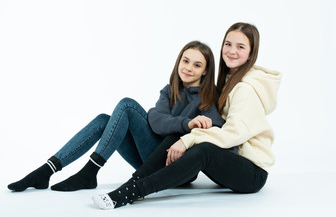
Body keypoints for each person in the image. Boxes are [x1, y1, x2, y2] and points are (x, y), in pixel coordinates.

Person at [92, 22, 282, 209]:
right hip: (229, 161)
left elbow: (234, 133)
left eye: (240, 47)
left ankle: (136, 190)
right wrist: (188, 133)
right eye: (228, 44)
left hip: (251, 172)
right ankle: (134, 182)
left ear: (251, 53)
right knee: (181, 135)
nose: (232, 51)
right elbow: (159, 118)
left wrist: (190, 139)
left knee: (201, 148)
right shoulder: (228, 81)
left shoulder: (245, 89)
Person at [7, 40, 226, 192]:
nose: (188, 68)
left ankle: (89, 172)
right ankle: (47, 170)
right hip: (150, 156)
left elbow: (217, 132)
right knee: (105, 120)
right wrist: (186, 122)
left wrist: (191, 132)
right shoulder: (170, 91)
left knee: (127, 106)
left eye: (197, 65)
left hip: (175, 168)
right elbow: (155, 121)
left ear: (206, 71)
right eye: (185, 61)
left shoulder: (210, 97)